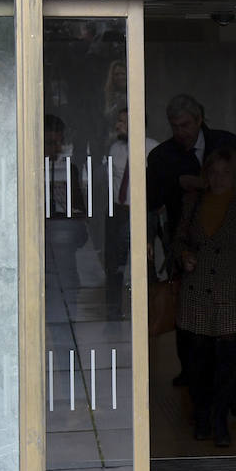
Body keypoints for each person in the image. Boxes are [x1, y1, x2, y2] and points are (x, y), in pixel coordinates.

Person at [147, 94, 236, 397]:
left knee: (231, 320)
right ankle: (192, 375)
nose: (180, 132)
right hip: (187, 240)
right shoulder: (163, 155)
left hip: (231, 241)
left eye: (185, 124)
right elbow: (148, 199)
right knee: (188, 315)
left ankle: (232, 396)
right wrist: (178, 184)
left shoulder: (224, 142)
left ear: (199, 120)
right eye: (174, 126)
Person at [172, 147, 236, 447]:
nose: (219, 178)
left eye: (225, 173)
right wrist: (183, 254)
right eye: (213, 172)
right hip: (195, 291)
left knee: (228, 361)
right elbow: (178, 240)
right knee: (197, 361)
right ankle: (201, 414)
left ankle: (219, 419)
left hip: (231, 290)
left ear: (235, 175)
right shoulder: (193, 201)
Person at [104, 102, 157, 318]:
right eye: (118, 121)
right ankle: (114, 310)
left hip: (142, 212)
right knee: (115, 263)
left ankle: (148, 310)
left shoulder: (152, 148)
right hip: (118, 212)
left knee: (143, 263)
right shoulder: (114, 149)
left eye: (123, 122)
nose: (118, 126)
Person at [45, 113, 87, 290]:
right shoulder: (26, 169)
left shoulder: (69, 169)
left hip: (63, 230)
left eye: (59, 143)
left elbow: (80, 209)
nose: (57, 148)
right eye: (50, 144)